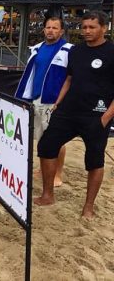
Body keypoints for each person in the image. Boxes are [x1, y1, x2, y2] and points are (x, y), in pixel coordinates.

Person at [34, 11, 114, 218]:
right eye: (84, 26)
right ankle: (48, 195)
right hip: (68, 111)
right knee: (46, 146)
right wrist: (58, 103)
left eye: (92, 27)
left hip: (96, 115)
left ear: (104, 28)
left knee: (94, 161)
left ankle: (88, 207)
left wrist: (105, 118)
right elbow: (69, 79)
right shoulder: (76, 51)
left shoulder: (112, 52)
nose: (86, 31)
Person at [15, 16, 71, 187]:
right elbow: (30, 75)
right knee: (41, 137)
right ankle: (44, 169)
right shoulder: (37, 48)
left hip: (54, 101)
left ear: (61, 31)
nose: (51, 31)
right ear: (43, 29)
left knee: (56, 139)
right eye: (48, 27)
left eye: (55, 28)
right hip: (37, 98)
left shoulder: (69, 50)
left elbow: (71, 78)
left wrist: (62, 101)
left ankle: (57, 174)